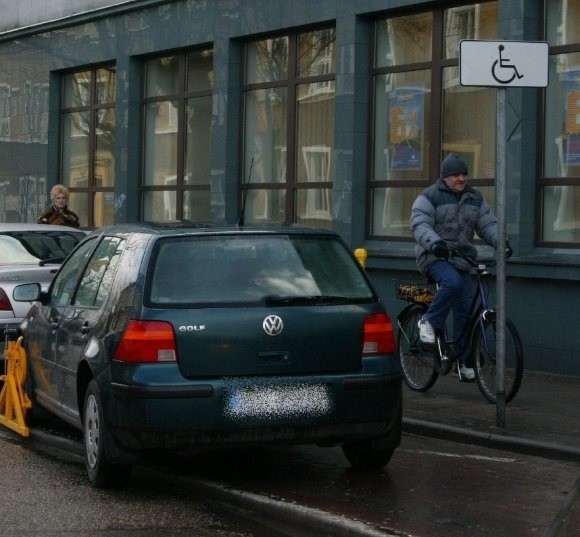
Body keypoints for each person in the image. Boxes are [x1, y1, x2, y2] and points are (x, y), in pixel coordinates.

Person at [410, 153, 511, 381]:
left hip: (462, 259)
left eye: (464, 174)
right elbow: (419, 224)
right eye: (456, 174)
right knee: (452, 282)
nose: (461, 178)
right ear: (445, 177)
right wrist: (435, 244)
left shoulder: (475, 197)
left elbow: (487, 224)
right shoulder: (429, 196)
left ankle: (463, 363)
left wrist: (500, 242)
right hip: (434, 256)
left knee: (464, 311)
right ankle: (428, 321)